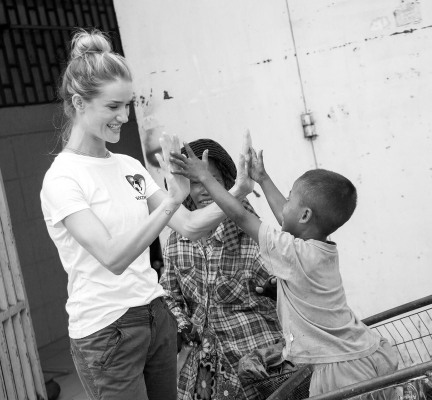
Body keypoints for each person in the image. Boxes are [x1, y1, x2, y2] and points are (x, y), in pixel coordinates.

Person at [40, 29, 252, 400]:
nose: (124, 116)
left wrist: (237, 192)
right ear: (78, 102)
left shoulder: (127, 165)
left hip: (153, 316)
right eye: (112, 106)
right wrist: (171, 200)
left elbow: (188, 227)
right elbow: (113, 257)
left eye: (128, 104)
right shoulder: (62, 178)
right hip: (105, 331)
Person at [168, 140, 399, 397]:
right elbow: (285, 217)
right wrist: (264, 179)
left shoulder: (293, 253)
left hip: (337, 364)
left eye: (289, 199)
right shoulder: (314, 246)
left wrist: (207, 178)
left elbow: (241, 217)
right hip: (360, 351)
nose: (283, 206)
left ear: (305, 216)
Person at [159, 138, 283, 400]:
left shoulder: (246, 228)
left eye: (211, 179)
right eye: (194, 182)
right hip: (206, 367)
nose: (204, 189)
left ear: (226, 182)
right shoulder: (177, 240)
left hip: (258, 357)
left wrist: (277, 288)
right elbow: (168, 294)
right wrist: (182, 325)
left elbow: (278, 278)